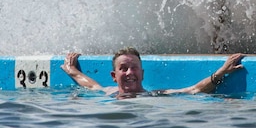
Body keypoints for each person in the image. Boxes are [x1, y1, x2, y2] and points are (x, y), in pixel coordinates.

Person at [61, 48, 245, 98]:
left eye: (133, 68)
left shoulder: (155, 95)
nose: (129, 72)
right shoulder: (108, 92)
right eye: (123, 68)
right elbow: (91, 85)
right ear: (113, 76)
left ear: (142, 74)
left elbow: (194, 90)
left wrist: (221, 72)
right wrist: (72, 70)